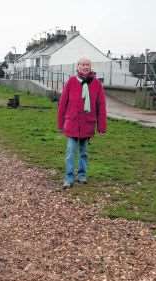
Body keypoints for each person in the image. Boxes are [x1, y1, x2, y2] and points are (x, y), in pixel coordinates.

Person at [57, 57, 107, 189]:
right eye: (83, 65)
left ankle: (82, 175)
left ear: (90, 67)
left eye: (88, 65)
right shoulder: (71, 82)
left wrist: (101, 127)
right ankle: (68, 178)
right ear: (77, 66)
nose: (85, 67)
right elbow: (62, 104)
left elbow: (101, 106)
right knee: (70, 152)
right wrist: (60, 123)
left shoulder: (96, 84)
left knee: (84, 152)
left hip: (87, 124)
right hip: (72, 123)